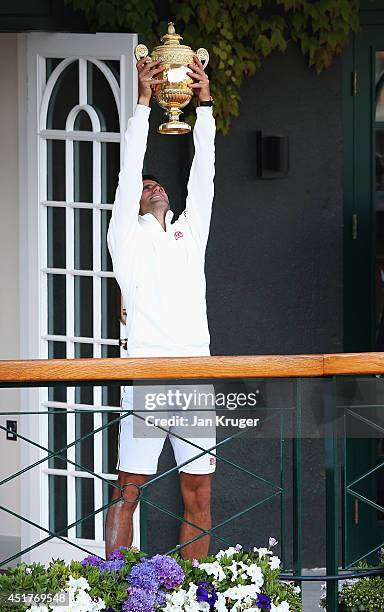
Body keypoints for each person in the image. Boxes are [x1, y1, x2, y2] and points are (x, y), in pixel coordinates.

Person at [105, 55, 216, 560]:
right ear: (131, 203)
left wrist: (206, 106)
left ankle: (195, 592)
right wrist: (144, 103)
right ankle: (110, 588)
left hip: (194, 371)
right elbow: (130, 169)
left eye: (157, 183)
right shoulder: (124, 238)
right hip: (146, 372)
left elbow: (205, 177)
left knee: (199, 493)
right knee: (127, 490)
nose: (152, 186)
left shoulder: (189, 233)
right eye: (145, 186)